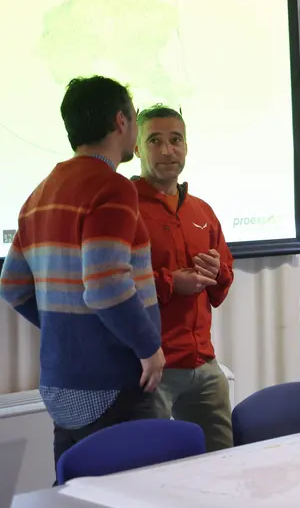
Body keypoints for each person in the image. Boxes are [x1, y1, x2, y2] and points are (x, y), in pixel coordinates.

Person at [0, 76, 165, 469]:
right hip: (113, 382)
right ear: (121, 122)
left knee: (77, 491)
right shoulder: (112, 187)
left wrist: (71, 328)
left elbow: (12, 286)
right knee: (137, 492)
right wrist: (149, 349)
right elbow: (107, 284)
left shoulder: (41, 192)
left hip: (61, 382)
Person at [132, 105, 236, 451]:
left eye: (175, 140)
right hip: (152, 368)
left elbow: (222, 285)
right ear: (136, 148)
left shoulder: (201, 211)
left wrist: (215, 272)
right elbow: (112, 283)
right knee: (155, 468)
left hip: (204, 362)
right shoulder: (125, 207)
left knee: (222, 460)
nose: (167, 150)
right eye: (155, 141)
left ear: (186, 146)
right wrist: (171, 283)